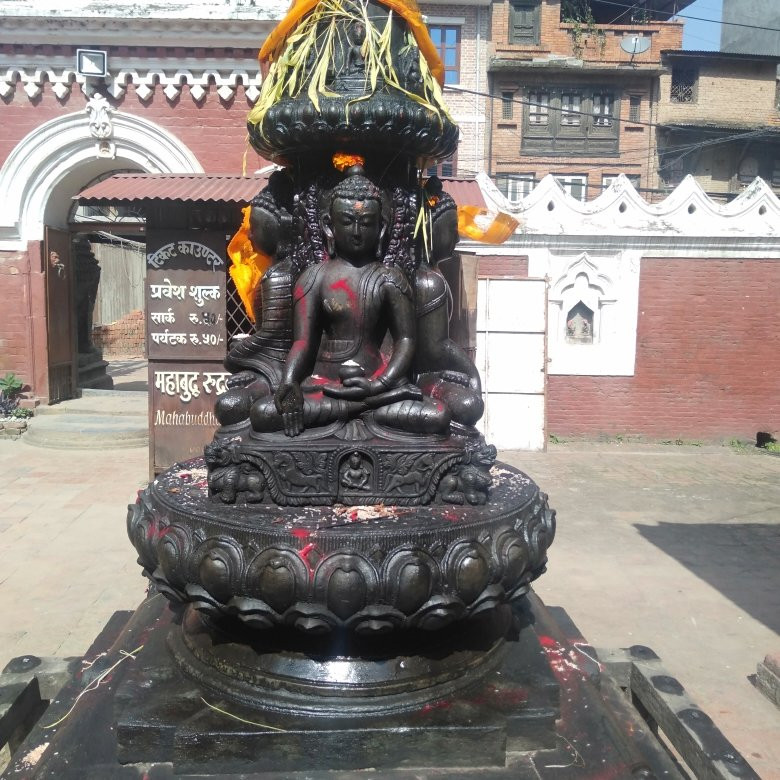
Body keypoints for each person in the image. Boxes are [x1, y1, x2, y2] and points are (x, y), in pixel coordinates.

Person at [249, 167, 451, 437]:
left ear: (382, 228)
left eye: (366, 223)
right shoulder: (314, 277)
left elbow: (406, 340)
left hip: (379, 389)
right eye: (346, 221)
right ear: (328, 225)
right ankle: (359, 409)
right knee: (264, 413)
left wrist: (379, 384)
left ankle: (357, 408)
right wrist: (289, 381)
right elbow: (303, 342)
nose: (356, 232)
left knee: (437, 414)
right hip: (324, 388)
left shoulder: (389, 278)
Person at [413, 180, 484, 427]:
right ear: (429, 228)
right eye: (452, 229)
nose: (457, 238)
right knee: (469, 405)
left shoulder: (433, 273)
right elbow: (436, 346)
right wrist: (472, 372)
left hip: (426, 372)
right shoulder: (427, 281)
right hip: (416, 376)